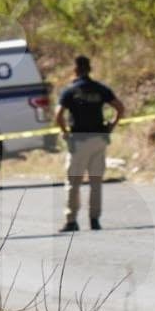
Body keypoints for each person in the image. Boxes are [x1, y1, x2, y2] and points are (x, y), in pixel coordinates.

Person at [56, 55, 126, 232]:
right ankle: (94, 220)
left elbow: (58, 115)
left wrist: (65, 133)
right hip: (98, 139)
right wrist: (111, 126)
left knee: (73, 182)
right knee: (96, 181)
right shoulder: (100, 89)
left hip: (78, 140)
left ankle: (71, 220)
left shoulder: (70, 90)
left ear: (76, 70)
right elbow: (120, 107)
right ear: (89, 69)